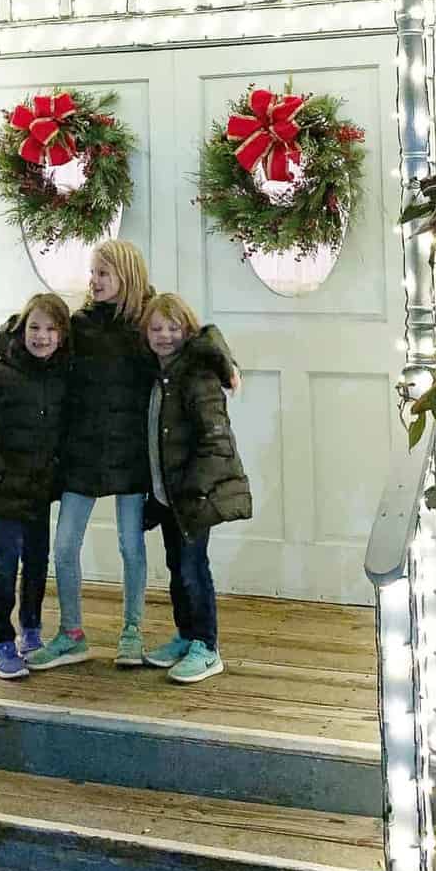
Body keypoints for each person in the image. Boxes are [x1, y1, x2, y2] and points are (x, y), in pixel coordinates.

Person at [25, 240, 156, 670]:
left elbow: (193, 340)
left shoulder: (148, 321)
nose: (94, 281)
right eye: (93, 273)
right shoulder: (78, 324)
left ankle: (132, 630)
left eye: (103, 273)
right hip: (83, 452)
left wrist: (223, 362)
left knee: (130, 545)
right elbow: (31, 338)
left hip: (131, 453)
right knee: (65, 546)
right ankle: (72, 633)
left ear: (126, 275)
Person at [139, 292, 252, 684]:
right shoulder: (158, 374)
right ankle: (186, 635)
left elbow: (216, 439)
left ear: (187, 330)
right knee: (176, 568)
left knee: (192, 569)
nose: (164, 335)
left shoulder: (197, 376)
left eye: (173, 328)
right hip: (167, 495)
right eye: (156, 328)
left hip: (191, 494)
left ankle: (207, 645)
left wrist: (196, 487)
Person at [0, 292, 70, 680]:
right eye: (34, 327)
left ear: (62, 335)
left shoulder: (61, 376)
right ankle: (1, 640)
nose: (41, 336)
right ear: (21, 329)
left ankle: (32, 630)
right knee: (5, 566)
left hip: (39, 492)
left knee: (37, 564)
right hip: (5, 491)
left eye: (51, 329)